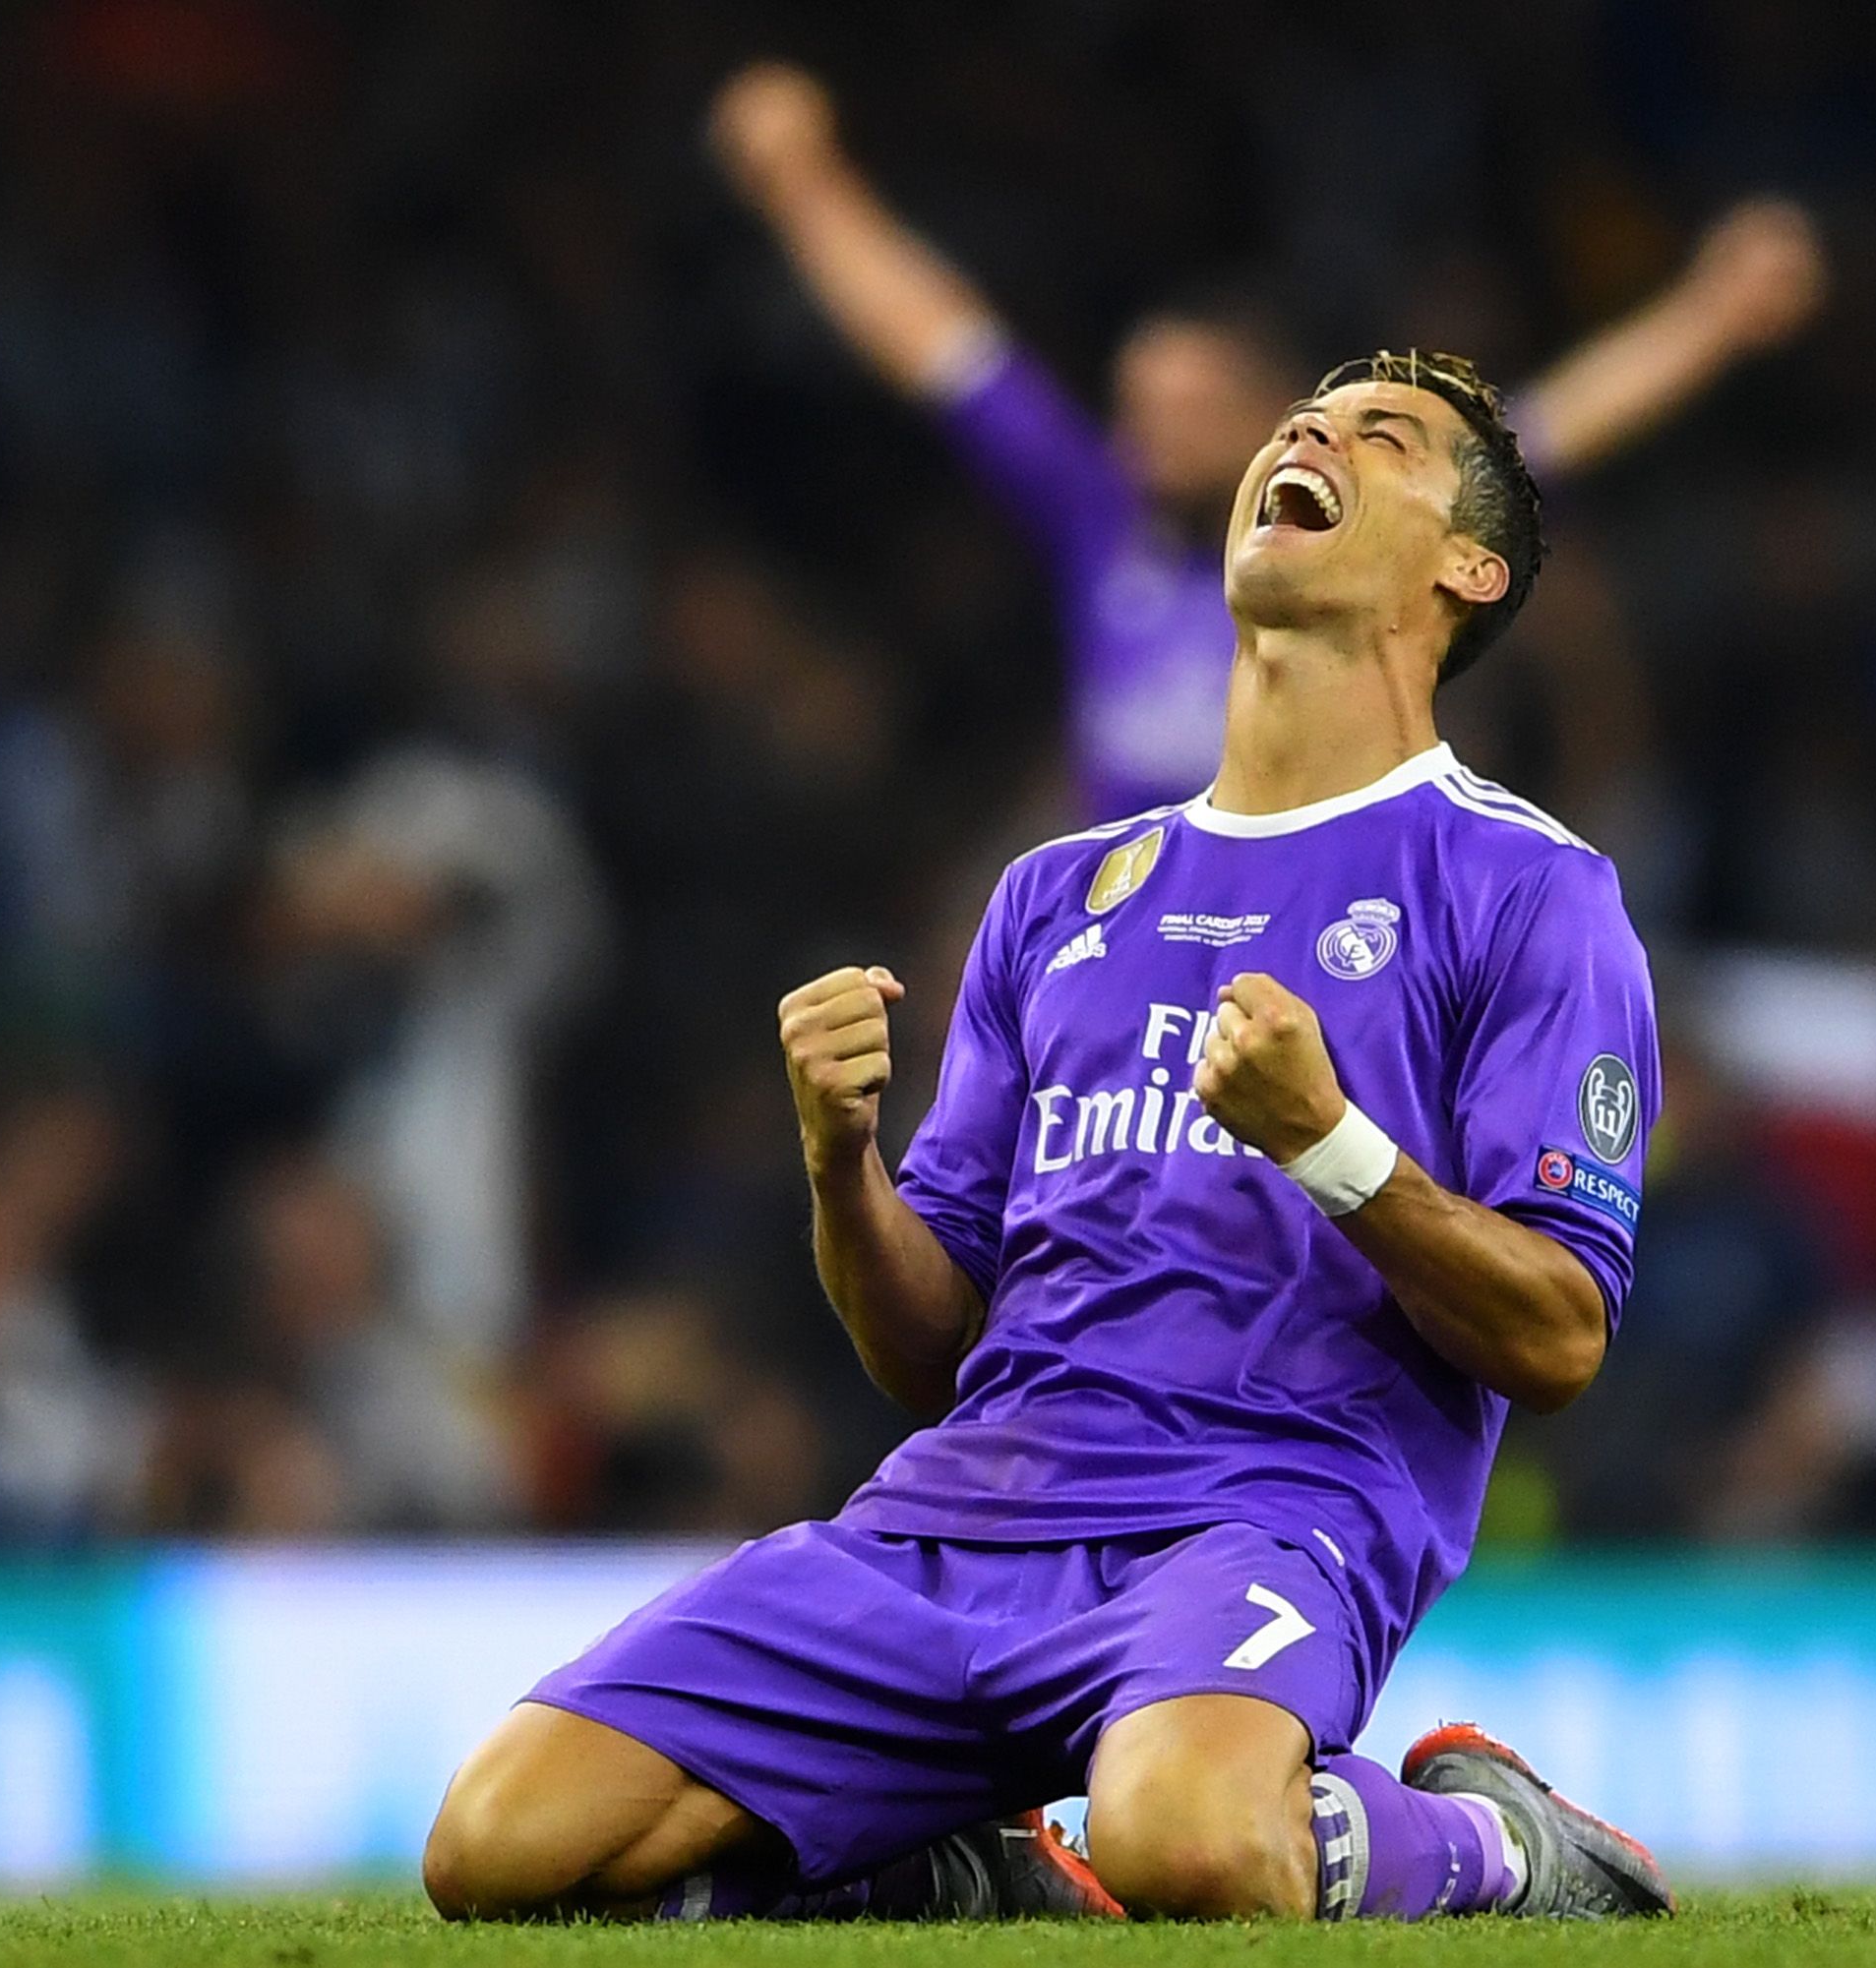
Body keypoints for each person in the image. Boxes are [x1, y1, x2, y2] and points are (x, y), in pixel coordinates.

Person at [425, 348, 1667, 1925]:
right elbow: (930, 1346)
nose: (1309, 429)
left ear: (1466, 568)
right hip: (963, 1514)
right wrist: (837, 1161)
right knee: (500, 1850)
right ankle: (956, 1865)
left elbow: (1558, 1337)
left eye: (1383, 435)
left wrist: (1332, 1146)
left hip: (1261, 1513)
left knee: (1194, 1852)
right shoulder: (1059, 895)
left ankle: (1500, 1845)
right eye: (1308, 414)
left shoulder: (1526, 890)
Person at [707, 60, 1824, 819]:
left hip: (1320, 977)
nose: (1142, 433)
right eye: (1132, 401)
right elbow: (940, 341)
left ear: (1269, 419)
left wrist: (1715, 315)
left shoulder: (1373, 527)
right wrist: (805, 184)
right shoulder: (1105, 522)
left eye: (1180, 407)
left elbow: (1550, 425)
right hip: (1139, 991)